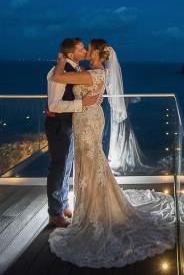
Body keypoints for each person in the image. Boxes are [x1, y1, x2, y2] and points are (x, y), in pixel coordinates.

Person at [48, 39, 175, 268]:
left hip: (87, 121)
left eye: (88, 47)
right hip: (88, 118)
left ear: (96, 52)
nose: (85, 50)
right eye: (82, 47)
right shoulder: (95, 71)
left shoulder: (91, 75)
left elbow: (57, 77)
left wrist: (59, 60)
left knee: (91, 162)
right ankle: (94, 203)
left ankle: (96, 209)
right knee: (91, 162)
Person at [46, 37, 99, 228]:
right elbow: (53, 105)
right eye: (81, 48)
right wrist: (82, 104)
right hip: (58, 124)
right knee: (58, 168)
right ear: (71, 54)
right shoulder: (57, 72)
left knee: (67, 165)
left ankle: (63, 205)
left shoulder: (75, 69)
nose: (85, 51)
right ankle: (54, 214)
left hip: (68, 124)